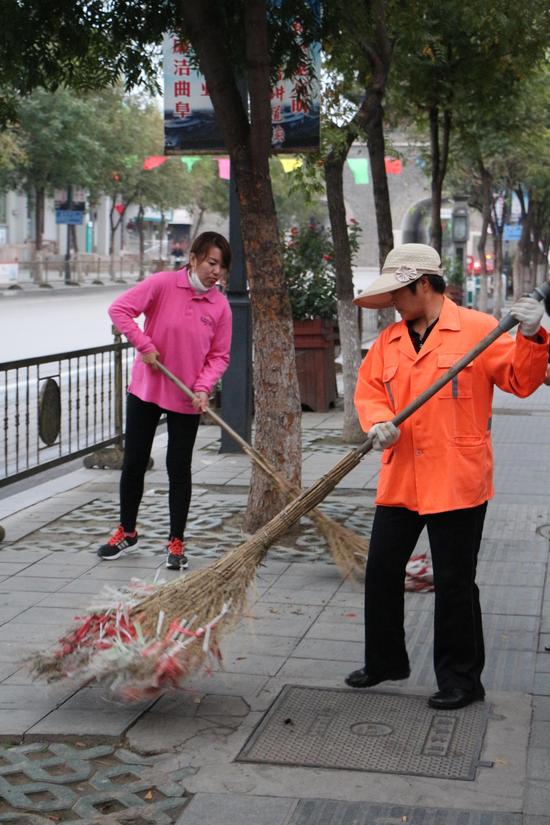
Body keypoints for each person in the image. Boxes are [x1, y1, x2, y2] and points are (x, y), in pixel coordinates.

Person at [346, 243, 548, 710]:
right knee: (380, 571)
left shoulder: (478, 330)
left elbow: (521, 381)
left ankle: (461, 680)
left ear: (423, 284)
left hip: (458, 478)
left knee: (455, 581)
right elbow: (370, 389)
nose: (394, 301)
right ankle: (386, 661)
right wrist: (377, 420)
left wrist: (533, 335)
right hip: (402, 477)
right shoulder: (389, 342)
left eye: (400, 290)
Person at [97, 231, 232, 571]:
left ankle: (176, 541)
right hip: (147, 389)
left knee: (178, 469)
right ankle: (126, 531)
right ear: (194, 258)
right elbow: (120, 310)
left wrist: (203, 387)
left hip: (187, 395)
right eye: (212, 263)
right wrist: (145, 345)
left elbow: (219, 355)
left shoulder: (220, 305)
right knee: (134, 462)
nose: (216, 272)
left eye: (222, 266)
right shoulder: (162, 284)